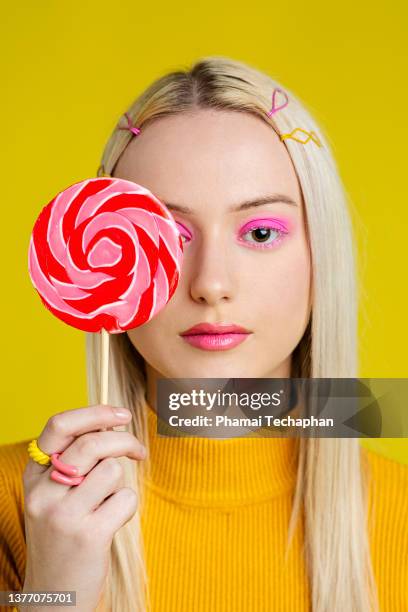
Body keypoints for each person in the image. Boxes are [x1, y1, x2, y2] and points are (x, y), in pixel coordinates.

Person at [1, 55, 407, 612]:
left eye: (260, 231)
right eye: (170, 234)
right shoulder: (16, 507)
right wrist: (56, 591)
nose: (211, 284)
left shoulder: (399, 516)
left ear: (321, 256)